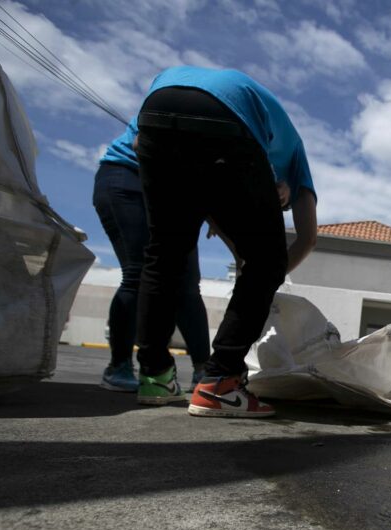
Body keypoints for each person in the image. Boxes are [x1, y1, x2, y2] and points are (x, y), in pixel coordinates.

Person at [132, 66, 318, 417]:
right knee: (268, 260)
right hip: (227, 119)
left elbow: (141, 144)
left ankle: (155, 376)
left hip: (158, 104)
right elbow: (307, 239)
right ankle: (220, 382)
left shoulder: (265, 136)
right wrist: (265, 280)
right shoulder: (295, 155)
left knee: (165, 251)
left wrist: (246, 264)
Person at [93, 121, 212, 393]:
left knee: (188, 283)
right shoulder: (177, 102)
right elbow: (140, 144)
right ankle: (120, 366)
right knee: (138, 272)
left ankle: (204, 372)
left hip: (174, 192)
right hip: (129, 177)